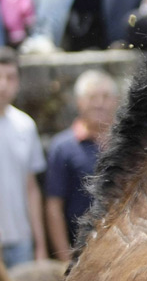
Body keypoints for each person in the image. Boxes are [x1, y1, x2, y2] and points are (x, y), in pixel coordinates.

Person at [45, 70, 119, 261]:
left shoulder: (129, 144)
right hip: (80, 252)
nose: (99, 103)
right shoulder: (62, 147)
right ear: (79, 102)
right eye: (92, 97)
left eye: (105, 97)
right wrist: (64, 259)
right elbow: (54, 206)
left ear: (116, 101)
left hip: (122, 249)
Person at [0, 47, 47, 268]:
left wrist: (40, 243)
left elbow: (31, 187)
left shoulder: (25, 125)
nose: (3, 84)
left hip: (21, 240)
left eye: (10, 77)